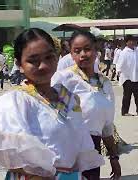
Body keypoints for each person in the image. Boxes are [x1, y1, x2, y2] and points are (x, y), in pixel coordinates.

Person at [0, 28, 104, 180]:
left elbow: (80, 147)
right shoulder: (15, 101)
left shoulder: (69, 99)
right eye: (33, 60)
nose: (43, 65)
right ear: (19, 64)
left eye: (49, 57)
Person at [52, 30, 121, 180]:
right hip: (67, 149)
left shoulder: (105, 84)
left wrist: (114, 158)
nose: (83, 54)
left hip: (92, 150)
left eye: (87, 49)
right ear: (71, 53)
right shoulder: (64, 79)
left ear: (96, 50)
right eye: (77, 51)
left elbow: (107, 126)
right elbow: (51, 115)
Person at [117, 35, 138, 116]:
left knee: (137, 95)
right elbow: (119, 64)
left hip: (136, 76)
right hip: (127, 77)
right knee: (127, 96)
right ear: (126, 42)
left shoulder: (136, 51)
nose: (132, 42)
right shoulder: (124, 52)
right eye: (130, 41)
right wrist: (118, 71)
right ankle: (125, 111)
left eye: (133, 40)